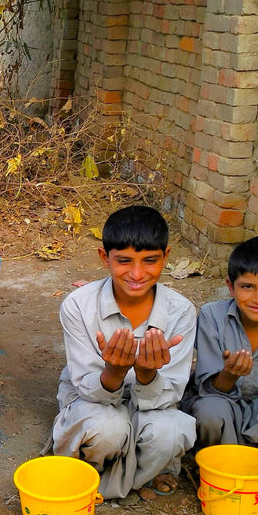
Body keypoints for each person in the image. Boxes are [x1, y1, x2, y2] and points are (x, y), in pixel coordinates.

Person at [51, 205, 195, 499]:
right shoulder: (78, 305)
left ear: (166, 257)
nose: (138, 273)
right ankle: (138, 476)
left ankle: (101, 483)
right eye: (125, 261)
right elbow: (85, 387)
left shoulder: (181, 311)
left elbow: (171, 394)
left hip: (152, 406)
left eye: (150, 261)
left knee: (171, 431)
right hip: (94, 401)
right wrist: (113, 372)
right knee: (108, 429)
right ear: (105, 258)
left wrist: (146, 374)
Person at [180, 237, 258, 490]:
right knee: (208, 414)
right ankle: (217, 459)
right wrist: (228, 374)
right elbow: (207, 387)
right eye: (247, 286)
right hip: (223, 404)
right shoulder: (212, 316)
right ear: (230, 286)